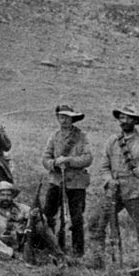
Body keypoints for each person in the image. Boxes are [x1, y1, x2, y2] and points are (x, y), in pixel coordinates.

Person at [90, 104, 139, 266]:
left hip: (137, 193)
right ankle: (97, 261)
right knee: (96, 223)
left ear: (135, 121)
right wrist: (109, 180)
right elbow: (104, 167)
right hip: (113, 192)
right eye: (122, 117)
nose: (124, 121)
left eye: (128, 117)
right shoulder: (112, 141)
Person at [41, 104, 92, 257]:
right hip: (56, 181)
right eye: (61, 117)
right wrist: (55, 163)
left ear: (72, 119)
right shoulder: (54, 136)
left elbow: (88, 158)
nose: (64, 120)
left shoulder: (81, 137)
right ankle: (49, 245)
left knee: (76, 218)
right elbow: (45, 158)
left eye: (67, 117)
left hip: (76, 183)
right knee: (49, 214)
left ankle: (77, 251)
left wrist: (69, 160)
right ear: (58, 118)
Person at [0, 181, 65, 265]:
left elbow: (41, 217)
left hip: (26, 242)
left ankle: (58, 254)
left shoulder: (21, 208)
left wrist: (33, 216)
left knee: (40, 224)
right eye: (2, 195)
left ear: (13, 196)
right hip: (5, 246)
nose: (5, 198)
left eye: (8, 195)